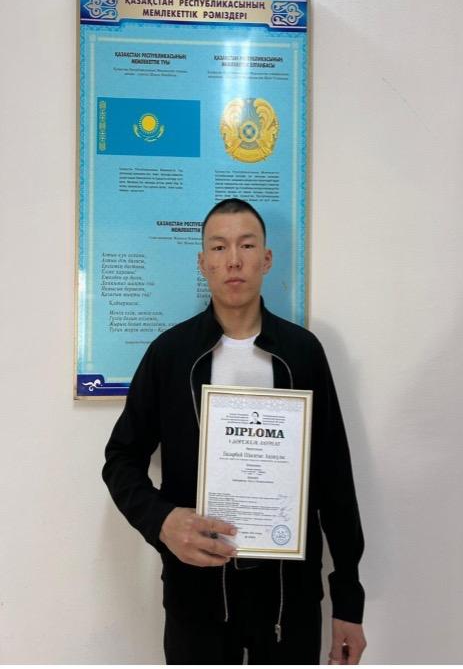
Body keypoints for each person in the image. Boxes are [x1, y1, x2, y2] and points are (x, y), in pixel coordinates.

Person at [102, 198, 366, 665]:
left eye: (247, 245)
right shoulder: (170, 354)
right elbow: (121, 458)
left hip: (288, 600)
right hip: (196, 597)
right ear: (202, 262)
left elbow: (334, 479)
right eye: (219, 247)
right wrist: (162, 521)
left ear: (267, 258)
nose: (233, 260)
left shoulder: (302, 353)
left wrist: (348, 601)